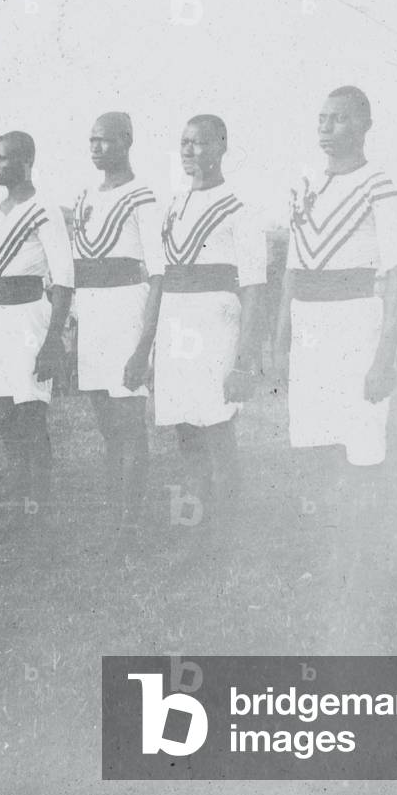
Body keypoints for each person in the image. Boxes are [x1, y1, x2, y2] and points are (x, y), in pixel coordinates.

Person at [279, 86, 397, 468]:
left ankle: (362, 528)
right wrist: (280, 338)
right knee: (312, 449)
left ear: (365, 126)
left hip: (356, 325)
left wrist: (384, 359)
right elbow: (292, 268)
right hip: (308, 328)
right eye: (322, 118)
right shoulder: (303, 186)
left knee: (361, 449)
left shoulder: (379, 184)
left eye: (339, 118)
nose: (327, 127)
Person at [154, 114, 266, 520]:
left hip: (216, 330)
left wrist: (243, 361)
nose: (189, 150)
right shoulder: (175, 205)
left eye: (199, 143)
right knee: (186, 431)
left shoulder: (239, 207)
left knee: (217, 431)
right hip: (176, 329)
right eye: (184, 142)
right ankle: (197, 523)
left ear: (221, 147)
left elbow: (254, 287)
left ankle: (225, 530)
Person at [70, 112, 163, 526]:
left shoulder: (143, 196)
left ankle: (132, 517)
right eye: (91, 140)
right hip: (91, 315)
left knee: (128, 420)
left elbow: (159, 274)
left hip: (126, 309)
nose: (95, 147)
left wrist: (144, 343)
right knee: (106, 423)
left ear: (126, 141)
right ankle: (115, 510)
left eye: (104, 140)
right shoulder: (85, 195)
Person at [0, 131, 74, 526]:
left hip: (29, 318)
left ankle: (38, 508)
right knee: (4, 416)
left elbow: (65, 279)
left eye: (3, 158)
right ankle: (19, 502)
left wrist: (53, 341)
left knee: (30, 417)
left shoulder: (44, 210)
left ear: (25, 161)